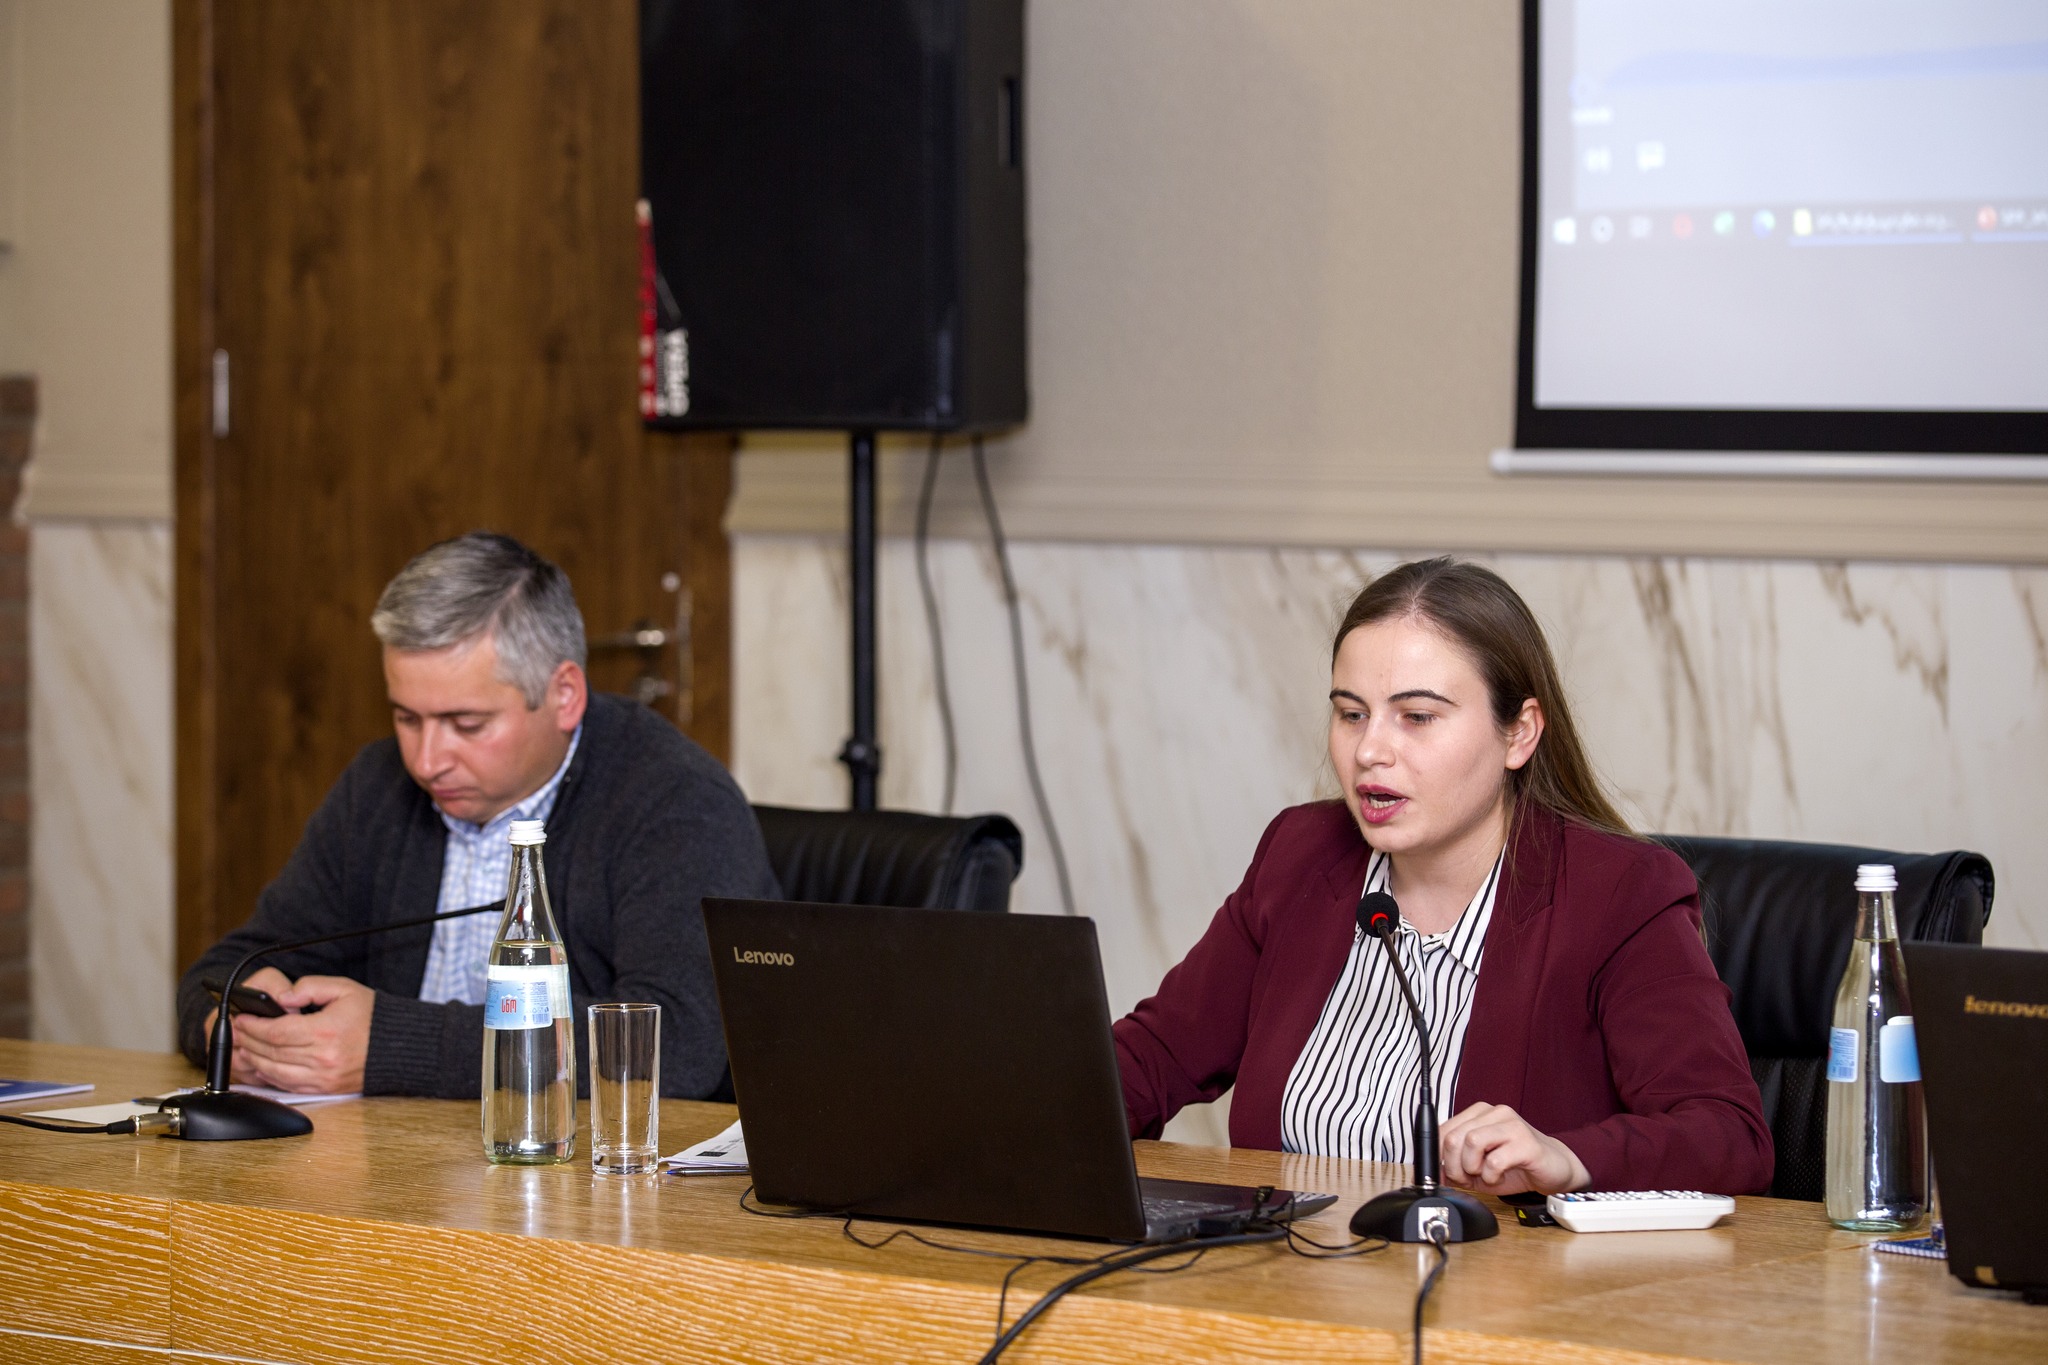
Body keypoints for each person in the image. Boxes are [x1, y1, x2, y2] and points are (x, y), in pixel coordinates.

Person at [1113, 558, 1772, 1195]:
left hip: (1499, 1274)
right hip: (1287, 1267)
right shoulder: (1301, 855)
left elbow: (1729, 1135)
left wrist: (1566, 1158)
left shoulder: (1619, 893)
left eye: (1417, 717)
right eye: (1351, 713)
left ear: (1519, 734)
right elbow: (1153, 1058)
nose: (1370, 750)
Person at [176, 532, 779, 1100]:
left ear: (564, 696)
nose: (426, 761)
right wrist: (233, 1031)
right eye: (406, 718)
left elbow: (676, 1043)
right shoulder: (379, 786)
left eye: (466, 724)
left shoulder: (676, 801)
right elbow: (230, 966)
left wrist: (392, 1047)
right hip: (390, 1155)